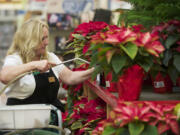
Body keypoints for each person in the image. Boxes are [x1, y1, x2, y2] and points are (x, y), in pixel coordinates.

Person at [0, 18, 94, 113]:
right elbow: (4, 77)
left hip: (49, 121)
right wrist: (33, 65)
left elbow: (70, 77)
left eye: (47, 37)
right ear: (30, 40)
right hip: (23, 120)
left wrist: (93, 71)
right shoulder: (16, 59)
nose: (47, 42)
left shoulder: (49, 57)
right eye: (42, 39)